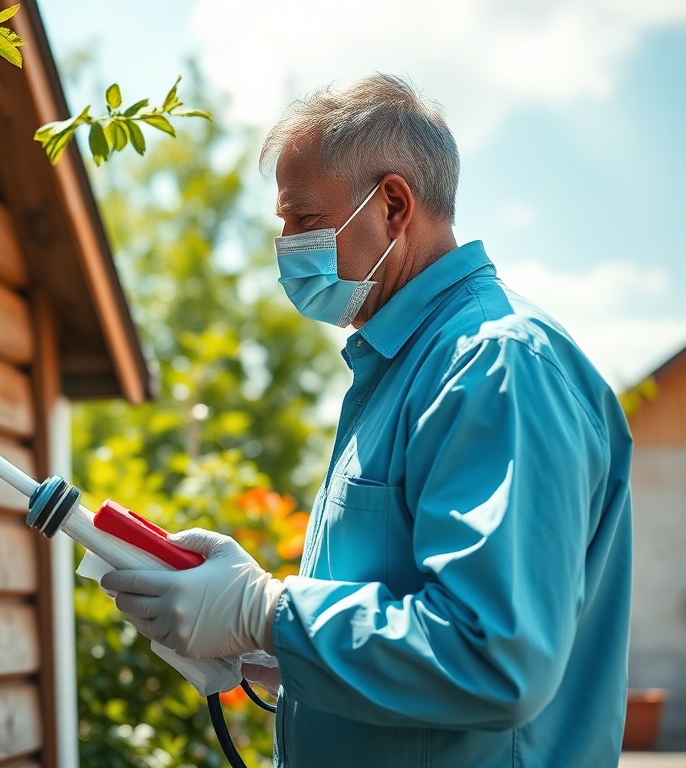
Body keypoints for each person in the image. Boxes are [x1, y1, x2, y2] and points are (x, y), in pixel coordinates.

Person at [100, 73, 633, 767]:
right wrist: (274, 647)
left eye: (305, 219)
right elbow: (401, 618)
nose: (284, 245)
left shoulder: (494, 367)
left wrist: (264, 610)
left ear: (393, 203)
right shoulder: (400, 368)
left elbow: (494, 657)